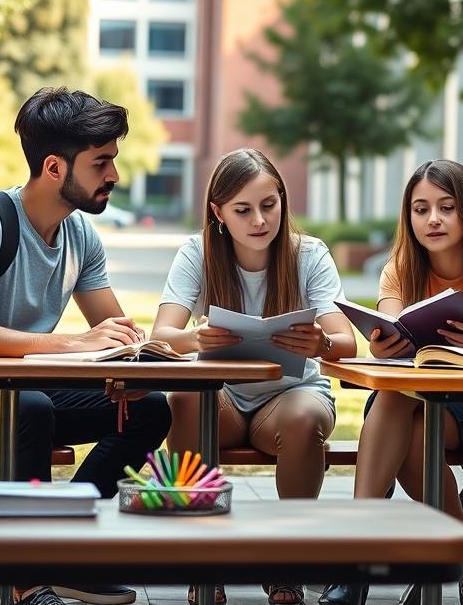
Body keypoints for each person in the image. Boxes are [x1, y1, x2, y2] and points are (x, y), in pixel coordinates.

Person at [0, 86, 172, 605]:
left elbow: (110, 327)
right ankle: (28, 581)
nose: (114, 174)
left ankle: (66, 552)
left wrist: (136, 361)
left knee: (150, 409)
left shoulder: (80, 236)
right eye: (101, 163)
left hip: (19, 390)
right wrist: (74, 342)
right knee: (30, 410)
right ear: (53, 167)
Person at [321, 159, 463, 605]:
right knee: (405, 405)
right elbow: (387, 331)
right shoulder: (400, 268)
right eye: (421, 210)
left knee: (400, 404)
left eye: (447, 207)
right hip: (414, 404)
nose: (433, 219)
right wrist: (383, 346)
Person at [151, 147, 358, 605]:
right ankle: (203, 555)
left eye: (269, 205)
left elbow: (347, 342)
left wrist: (321, 343)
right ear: (218, 212)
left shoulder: (309, 255)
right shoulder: (197, 252)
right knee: (183, 397)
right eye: (243, 210)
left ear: (283, 200)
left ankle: (287, 562)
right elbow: (162, 337)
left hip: (291, 397)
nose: (260, 220)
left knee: (304, 417)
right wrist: (196, 337)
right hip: (220, 397)